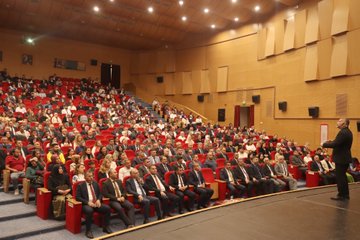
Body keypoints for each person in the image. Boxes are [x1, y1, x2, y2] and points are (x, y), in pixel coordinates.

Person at [322, 118, 353, 201]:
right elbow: (339, 143)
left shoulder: (343, 132)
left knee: (340, 177)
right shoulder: (347, 132)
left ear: (345, 124)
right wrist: (331, 142)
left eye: (340, 121)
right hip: (344, 158)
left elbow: (336, 144)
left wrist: (324, 144)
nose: (337, 122)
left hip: (341, 158)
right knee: (342, 177)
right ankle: (345, 195)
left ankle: (342, 195)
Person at [76, 171, 112, 238]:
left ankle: (106, 227)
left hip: (96, 203)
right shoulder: (80, 185)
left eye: (92, 176)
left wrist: (98, 200)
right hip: (86, 204)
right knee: (89, 211)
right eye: (89, 176)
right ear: (85, 177)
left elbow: (100, 194)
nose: (91, 177)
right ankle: (88, 231)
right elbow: (78, 197)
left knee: (107, 209)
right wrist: (88, 202)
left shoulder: (95, 184)